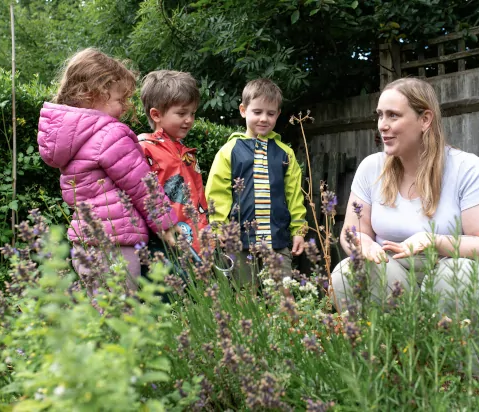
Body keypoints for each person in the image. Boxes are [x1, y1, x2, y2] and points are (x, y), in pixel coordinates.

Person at [331, 77, 479, 321]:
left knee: (453, 281)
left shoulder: (466, 168)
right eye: (380, 115)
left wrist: (432, 241)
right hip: (395, 269)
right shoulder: (371, 168)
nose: (382, 125)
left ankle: (455, 357)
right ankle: (385, 355)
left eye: (393, 115)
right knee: (350, 272)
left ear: (425, 119)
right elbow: (353, 231)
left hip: (459, 267)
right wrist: (364, 244)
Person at [37, 48, 177, 292]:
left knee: (97, 315)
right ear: (92, 94)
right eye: (119, 99)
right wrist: (166, 224)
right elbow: (141, 186)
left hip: (84, 241)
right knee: (122, 314)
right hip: (116, 242)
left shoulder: (69, 138)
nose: (124, 108)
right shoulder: (109, 134)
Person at [205, 78, 307, 286]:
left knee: (282, 295)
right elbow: (218, 193)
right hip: (239, 242)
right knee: (245, 298)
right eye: (257, 112)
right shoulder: (229, 151)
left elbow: (295, 196)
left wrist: (298, 231)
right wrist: (219, 227)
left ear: (278, 115)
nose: (264, 119)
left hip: (277, 241)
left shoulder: (285, 153)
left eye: (270, 114)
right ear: (243, 110)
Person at [138, 70, 208, 257]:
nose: (189, 120)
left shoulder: (187, 154)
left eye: (192, 113)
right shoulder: (144, 149)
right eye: (182, 113)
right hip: (165, 245)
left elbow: (199, 199)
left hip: (198, 243)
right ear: (156, 114)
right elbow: (143, 196)